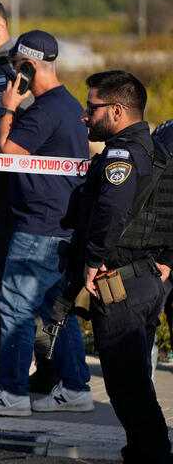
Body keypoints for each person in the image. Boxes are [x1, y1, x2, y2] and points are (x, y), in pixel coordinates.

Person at [0, 30, 91, 416]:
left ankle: (12, 393)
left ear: (29, 67)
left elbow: (8, 154)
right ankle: (75, 387)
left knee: (15, 307)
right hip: (59, 225)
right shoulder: (67, 105)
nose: (11, 74)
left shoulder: (43, 111)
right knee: (57, 311)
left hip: (38, 228)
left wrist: (8, 110)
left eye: (15, 66)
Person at [73, 71, 172, 462]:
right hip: (145, 280)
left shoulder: (122, 155)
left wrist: (92, 260)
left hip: (122, 284)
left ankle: (153, 454)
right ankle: (143, 450)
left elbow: (111, 212)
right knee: (135, 381)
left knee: (127, 386)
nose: (85, 116)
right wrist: (165, 260)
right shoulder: (157, 150)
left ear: (116, 111)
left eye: (91, 107)